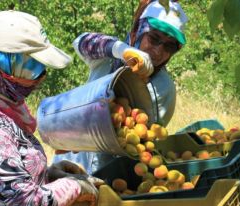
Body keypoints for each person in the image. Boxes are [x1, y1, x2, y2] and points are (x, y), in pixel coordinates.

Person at [0, 11, 101, 206]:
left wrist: (46, 175)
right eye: (33, 67)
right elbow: (22, 202)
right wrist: (73, 187)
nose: (41, 78)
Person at [53, 0, 188, 174]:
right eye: (154, 38)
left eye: (169, 46)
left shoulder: (164, 88)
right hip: (70, 164)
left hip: (109, 174)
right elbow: (81, 41)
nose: (158, 50)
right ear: (138, 31)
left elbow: (145, 138)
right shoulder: (109, 56)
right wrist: (121, 50)